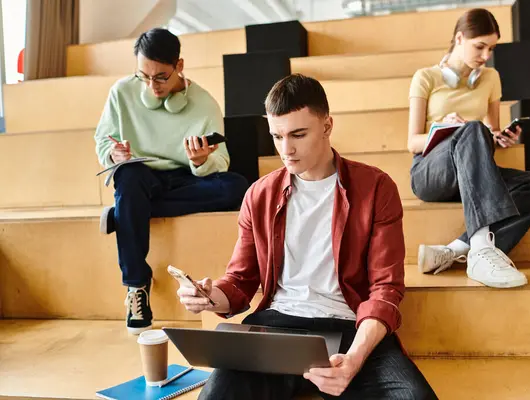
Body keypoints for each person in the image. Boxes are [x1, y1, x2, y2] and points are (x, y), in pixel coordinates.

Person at [177, 74, 438, 399]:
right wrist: (210, 296)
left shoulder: (376, 188)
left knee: (415, 398)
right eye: (277, 136)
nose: (286, 149)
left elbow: (386, 288)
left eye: (298, 134)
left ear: (327, 126)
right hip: (276, 326)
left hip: (349, 326)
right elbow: (241, 281)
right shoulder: (259, 195)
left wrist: (354, 360)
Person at [94, 28, 248, 334]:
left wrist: (201, 160)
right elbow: (102, 143)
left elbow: (222, 160)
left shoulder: (204, 103)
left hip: (184, 180)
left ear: (179, 65)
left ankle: (126, 211)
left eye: (161, 77)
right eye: (144, 76)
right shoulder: (121, 93)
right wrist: (114, 154)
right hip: (139, 175)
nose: (152, 85)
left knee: (237, 186)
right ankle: (137, 285)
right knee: (129, 177)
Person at [408, 9, 530, 288]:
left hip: (474, 172)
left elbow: (488, 133)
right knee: (472, 129)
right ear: (459, 38)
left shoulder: (491, 78)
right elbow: (412, 141)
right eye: (480, 46)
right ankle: (480, 249)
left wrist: (500, 137)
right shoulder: (425, 77)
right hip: (432, 172)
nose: (486, 55)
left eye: (491, 48)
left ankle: (456, 250)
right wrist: (444, 126)